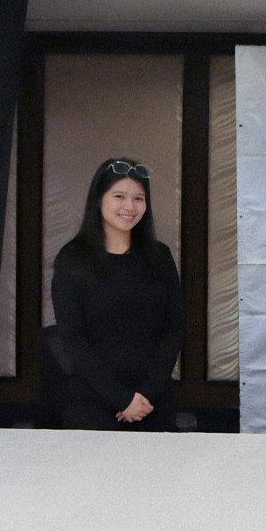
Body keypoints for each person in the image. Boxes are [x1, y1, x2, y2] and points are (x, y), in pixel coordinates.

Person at [52, 157, 184, 431]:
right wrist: (121, 399)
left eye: (139, 198)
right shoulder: (73, 259)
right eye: (119, 197)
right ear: (98, 199)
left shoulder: (160, 257)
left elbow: (173, 329)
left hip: (153, 403)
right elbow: (73, 339)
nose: (130, 207)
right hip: (94, 403)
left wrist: (146, 395)